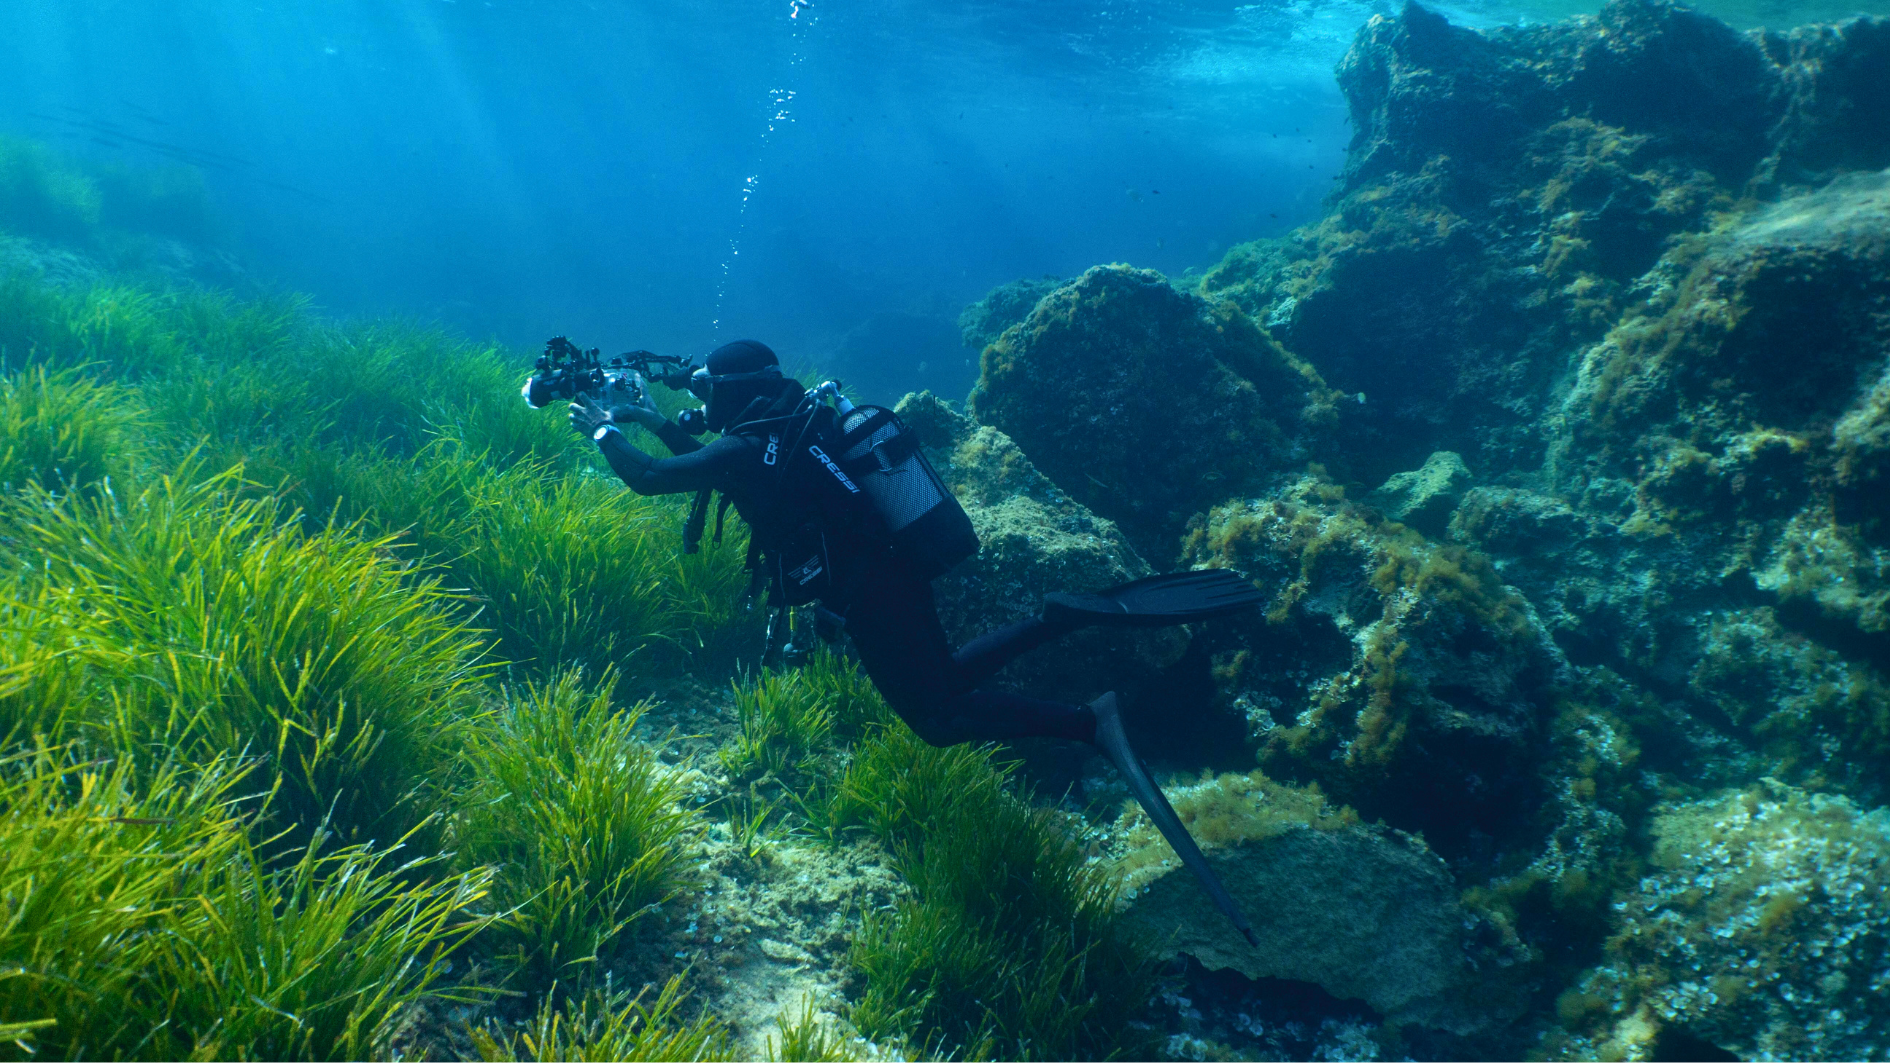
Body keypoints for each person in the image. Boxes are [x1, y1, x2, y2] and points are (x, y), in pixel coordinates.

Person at [564, 338, 1262, 946]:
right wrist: (652, 417)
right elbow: (723, 470)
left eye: (710, 390)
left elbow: (653, 477)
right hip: (889, 575)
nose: (703, 402)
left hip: (872, 596)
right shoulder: (777, 430)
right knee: (947, 682)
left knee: (935, 717)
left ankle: (1088, 720)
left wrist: (601, 427)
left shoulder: (755, 440)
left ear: (737, 391)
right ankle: (1059, 619)